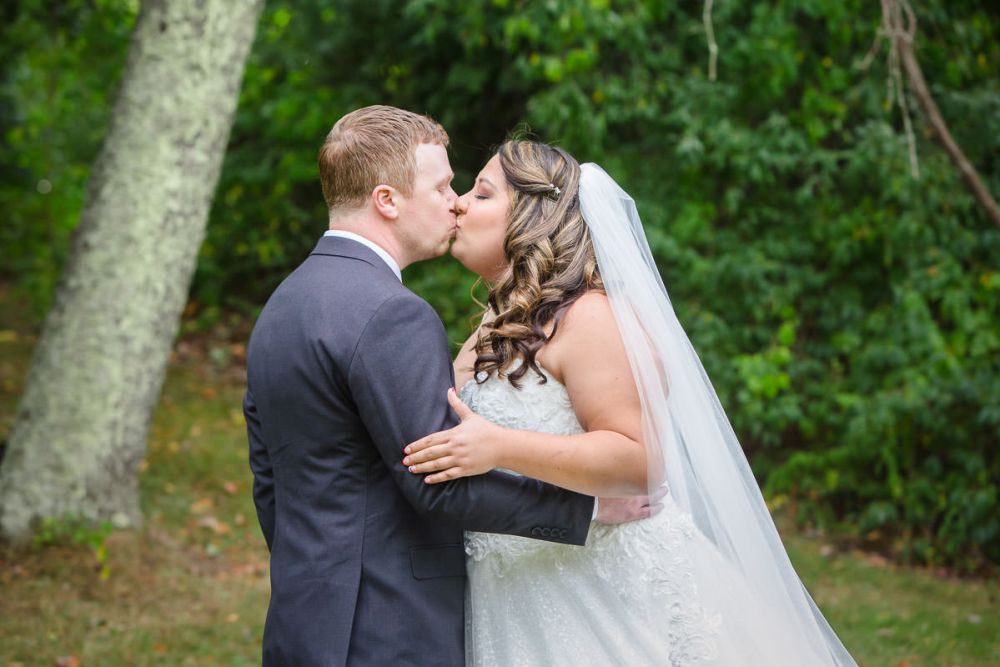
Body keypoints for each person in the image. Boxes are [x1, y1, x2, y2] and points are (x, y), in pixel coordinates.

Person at [403, 140, 859, 666]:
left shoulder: (589, 319)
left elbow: (640, 460)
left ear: (533, 217)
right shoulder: (495, 325)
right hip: (519, 590)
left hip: (599, 593)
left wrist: (499, 447)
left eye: (480, 194)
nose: (457, 203)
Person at [243, 107, 652, 666]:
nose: (454, 201)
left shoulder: (281, 307)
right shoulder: (392, 314)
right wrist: (585, 511)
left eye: (471, 191)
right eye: (444, 186)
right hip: (389, 627)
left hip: (309, 617)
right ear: (388, 200)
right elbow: (434, 480)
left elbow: (270, 477)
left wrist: (317, 569)